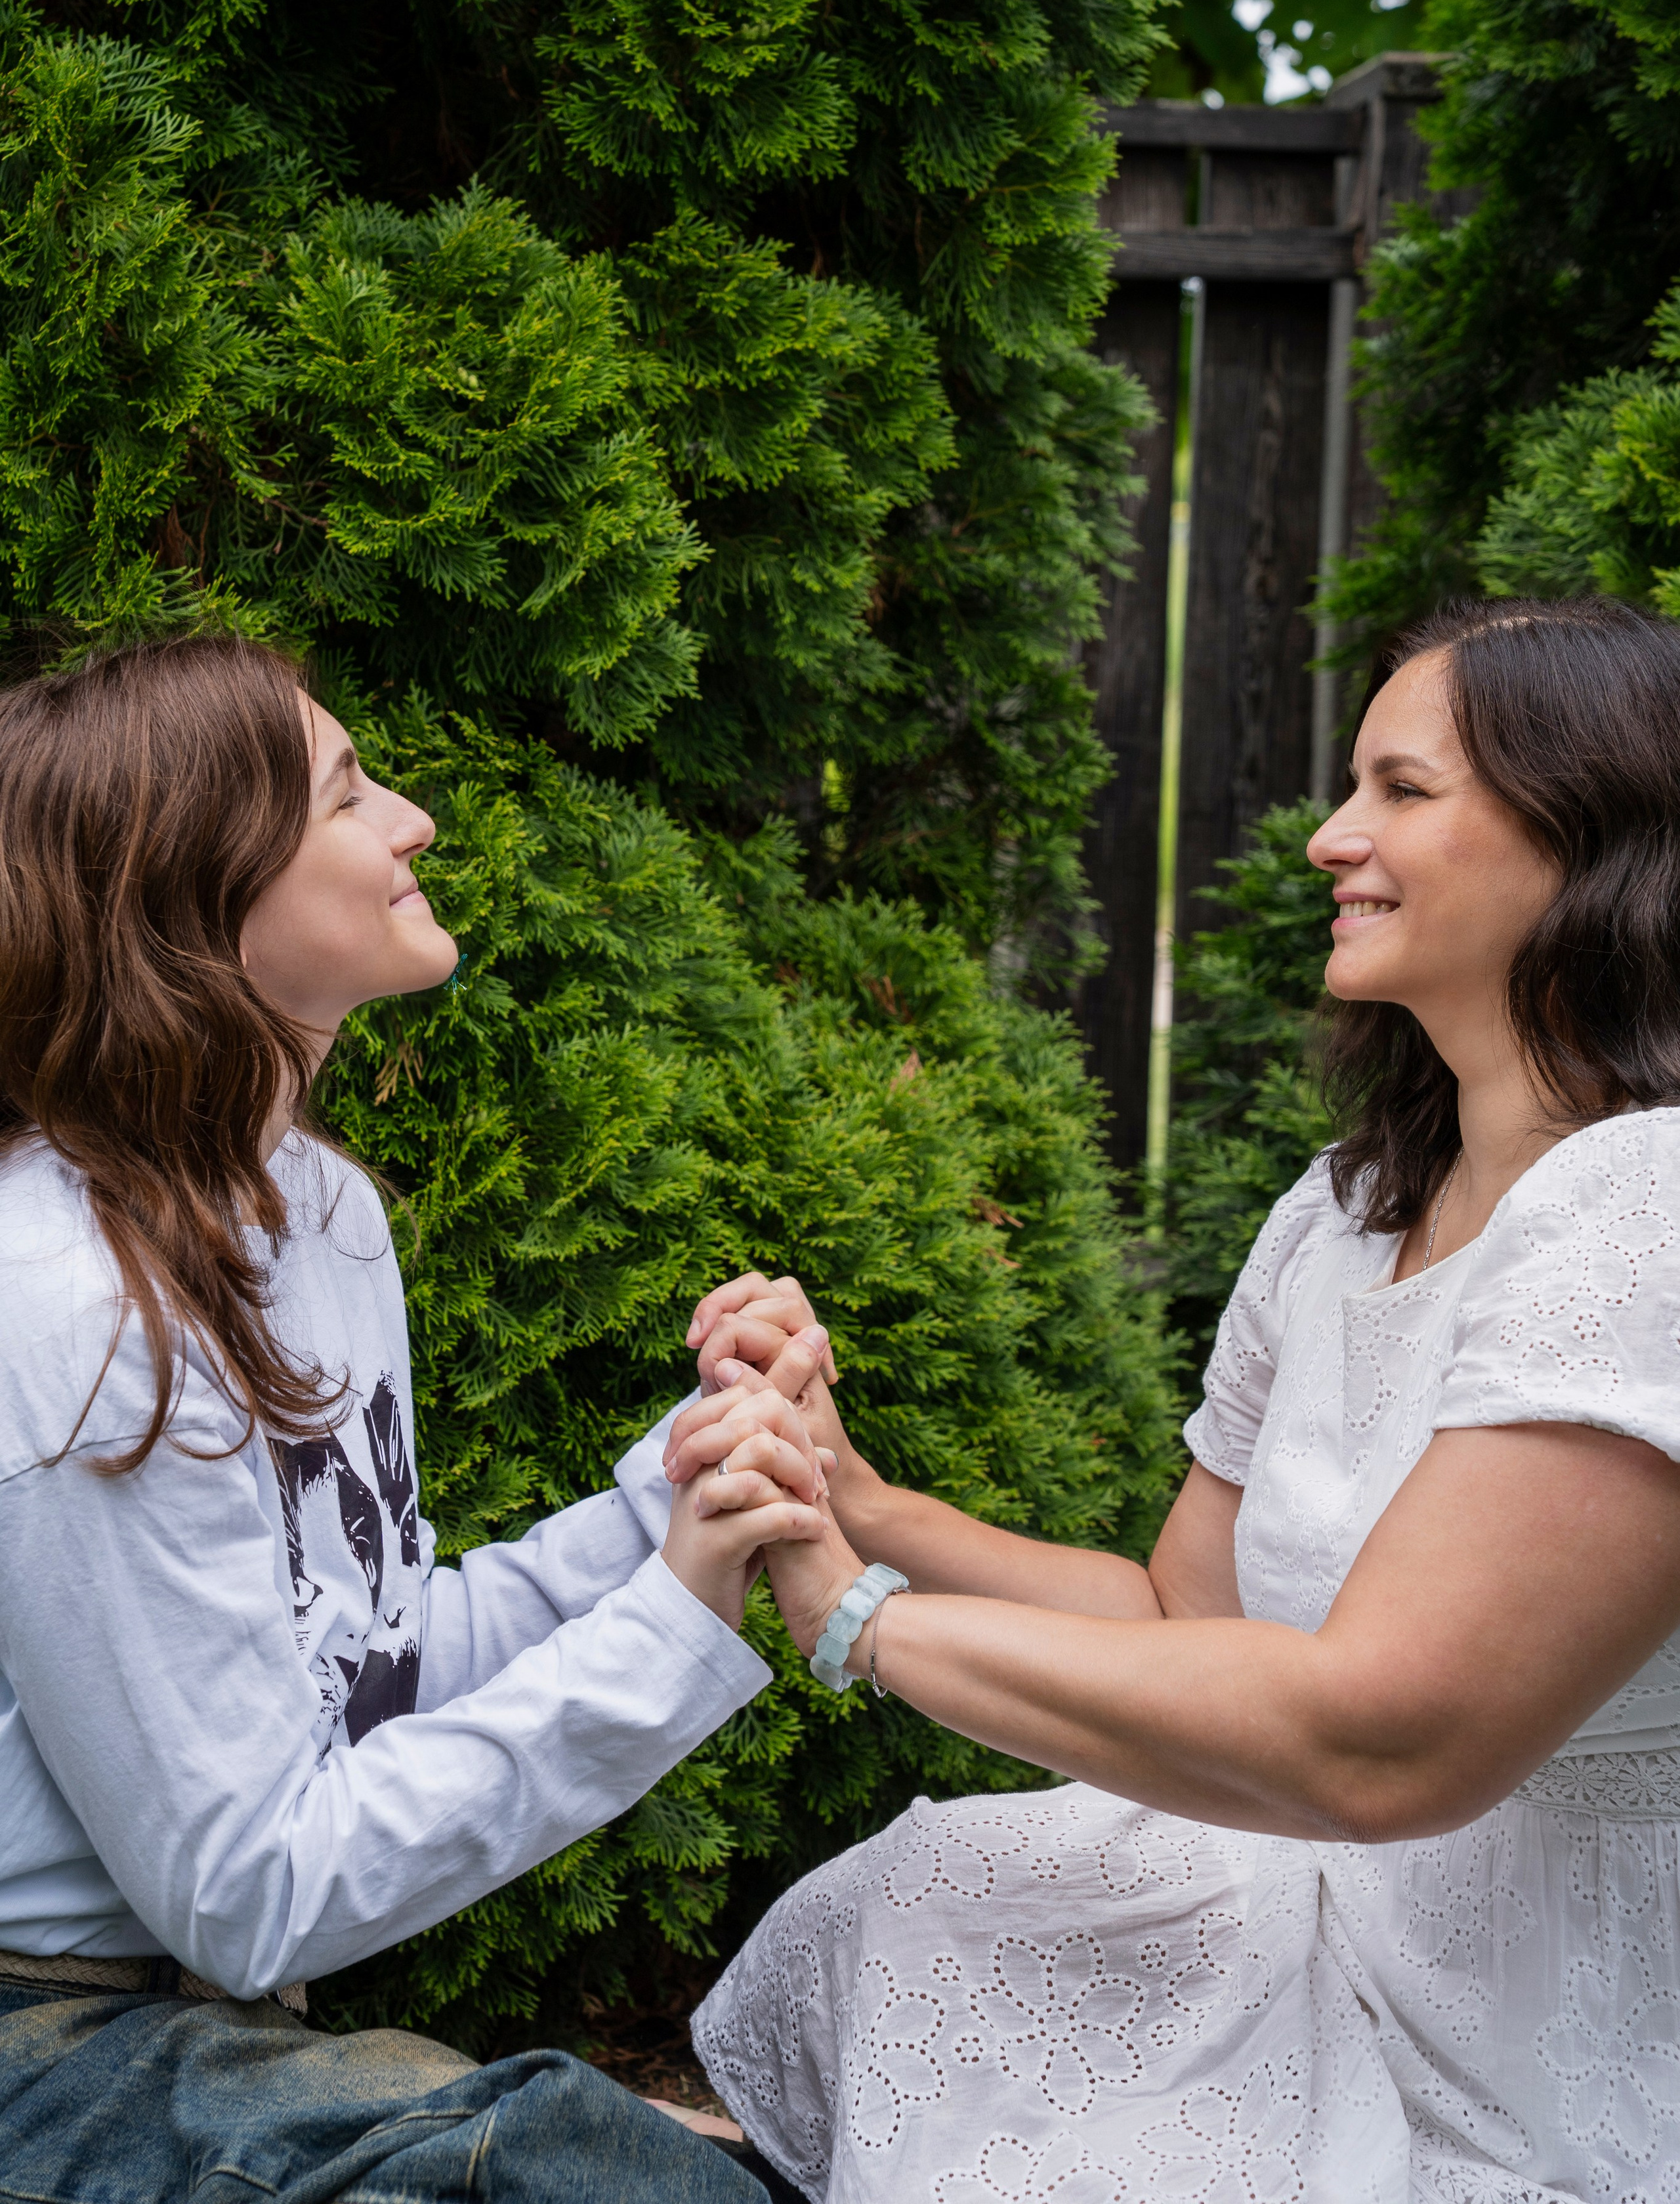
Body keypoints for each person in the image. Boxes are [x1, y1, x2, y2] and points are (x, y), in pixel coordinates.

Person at [671, 597, 1680, 2203]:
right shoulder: (1344, 1213)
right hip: (1306, 1928)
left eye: (1400, 793)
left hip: (1530, 2072)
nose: (1327, 840)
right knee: (922, 1911)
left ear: (1589, 832)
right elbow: (1175, 1609)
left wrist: (862, 1622)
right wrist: (847, 1493)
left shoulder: (1650, 1210)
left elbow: (1381, 1744)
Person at [0, 634, 828, 2203]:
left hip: (202, 2034)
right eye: (345, 794)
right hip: (40, 2050)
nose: (413, 823)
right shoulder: (72, 1304)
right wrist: (666, 1619)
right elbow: (250, 1895)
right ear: (195, 894)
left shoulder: (319, 1217)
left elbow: (363, 1667)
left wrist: (673, 1492)